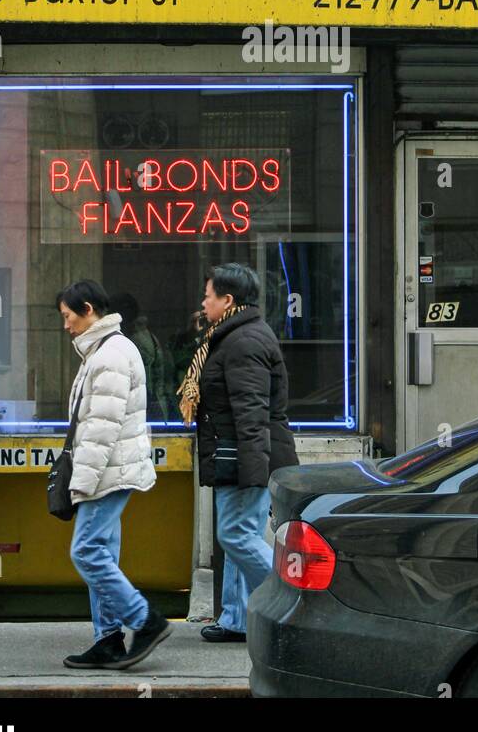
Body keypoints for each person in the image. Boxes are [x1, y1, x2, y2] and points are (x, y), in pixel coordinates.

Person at [177, 263, 298, 643]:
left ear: (227, 300)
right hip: (236, 453)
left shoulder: (243, 342)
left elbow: (252, 412)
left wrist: (254, 471)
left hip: (246, 454)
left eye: (208, 294)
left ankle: (296, 604)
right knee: (238, 534)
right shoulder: (230, 336)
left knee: (235, 534)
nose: (203, 300)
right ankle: (236, 619)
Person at [58, 279, 171, 670]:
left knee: (85, 551)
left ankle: (145, 620)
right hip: (113, 469)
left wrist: (81, 485)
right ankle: (107, 640)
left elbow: (99, 429)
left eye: (69, 316)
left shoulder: (110, 355)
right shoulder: (107, 350)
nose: (66, 325)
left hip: (108, 473)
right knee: (102, 553)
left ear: (89, 309)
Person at [110, 291, 177, 422]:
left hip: (148, 410)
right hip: (152, 406)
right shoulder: (142, 336)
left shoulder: (135, 340)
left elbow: (145, 385)